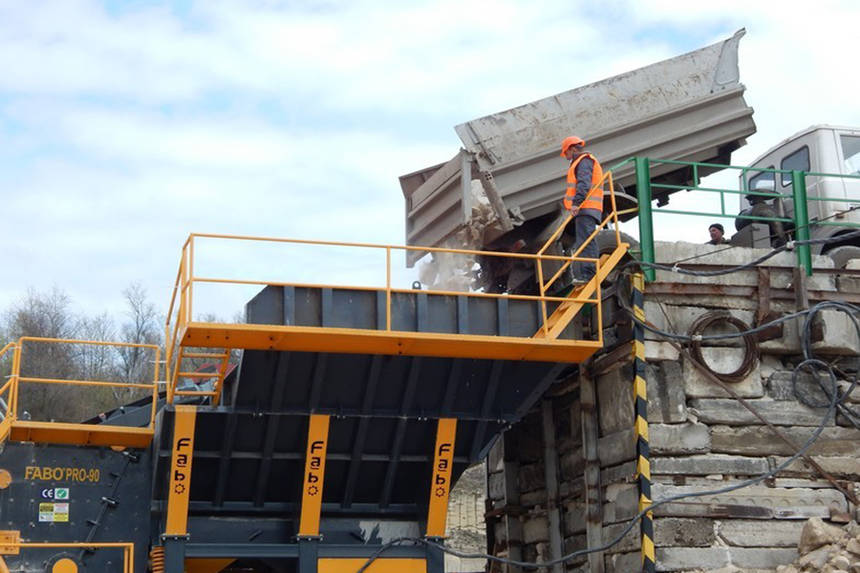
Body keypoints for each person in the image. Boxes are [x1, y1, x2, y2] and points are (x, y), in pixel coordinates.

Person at [560, 136, 604, 285]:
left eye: (566, 153)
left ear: (572, 149)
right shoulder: (582, 161)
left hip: (586, 207)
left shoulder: (584, 161)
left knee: (586, 240)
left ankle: (589, 274)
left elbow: (583, 184)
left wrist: (576, 203)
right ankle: (587, 273)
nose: (566, 157)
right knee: (585, 240)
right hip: (586, 208)